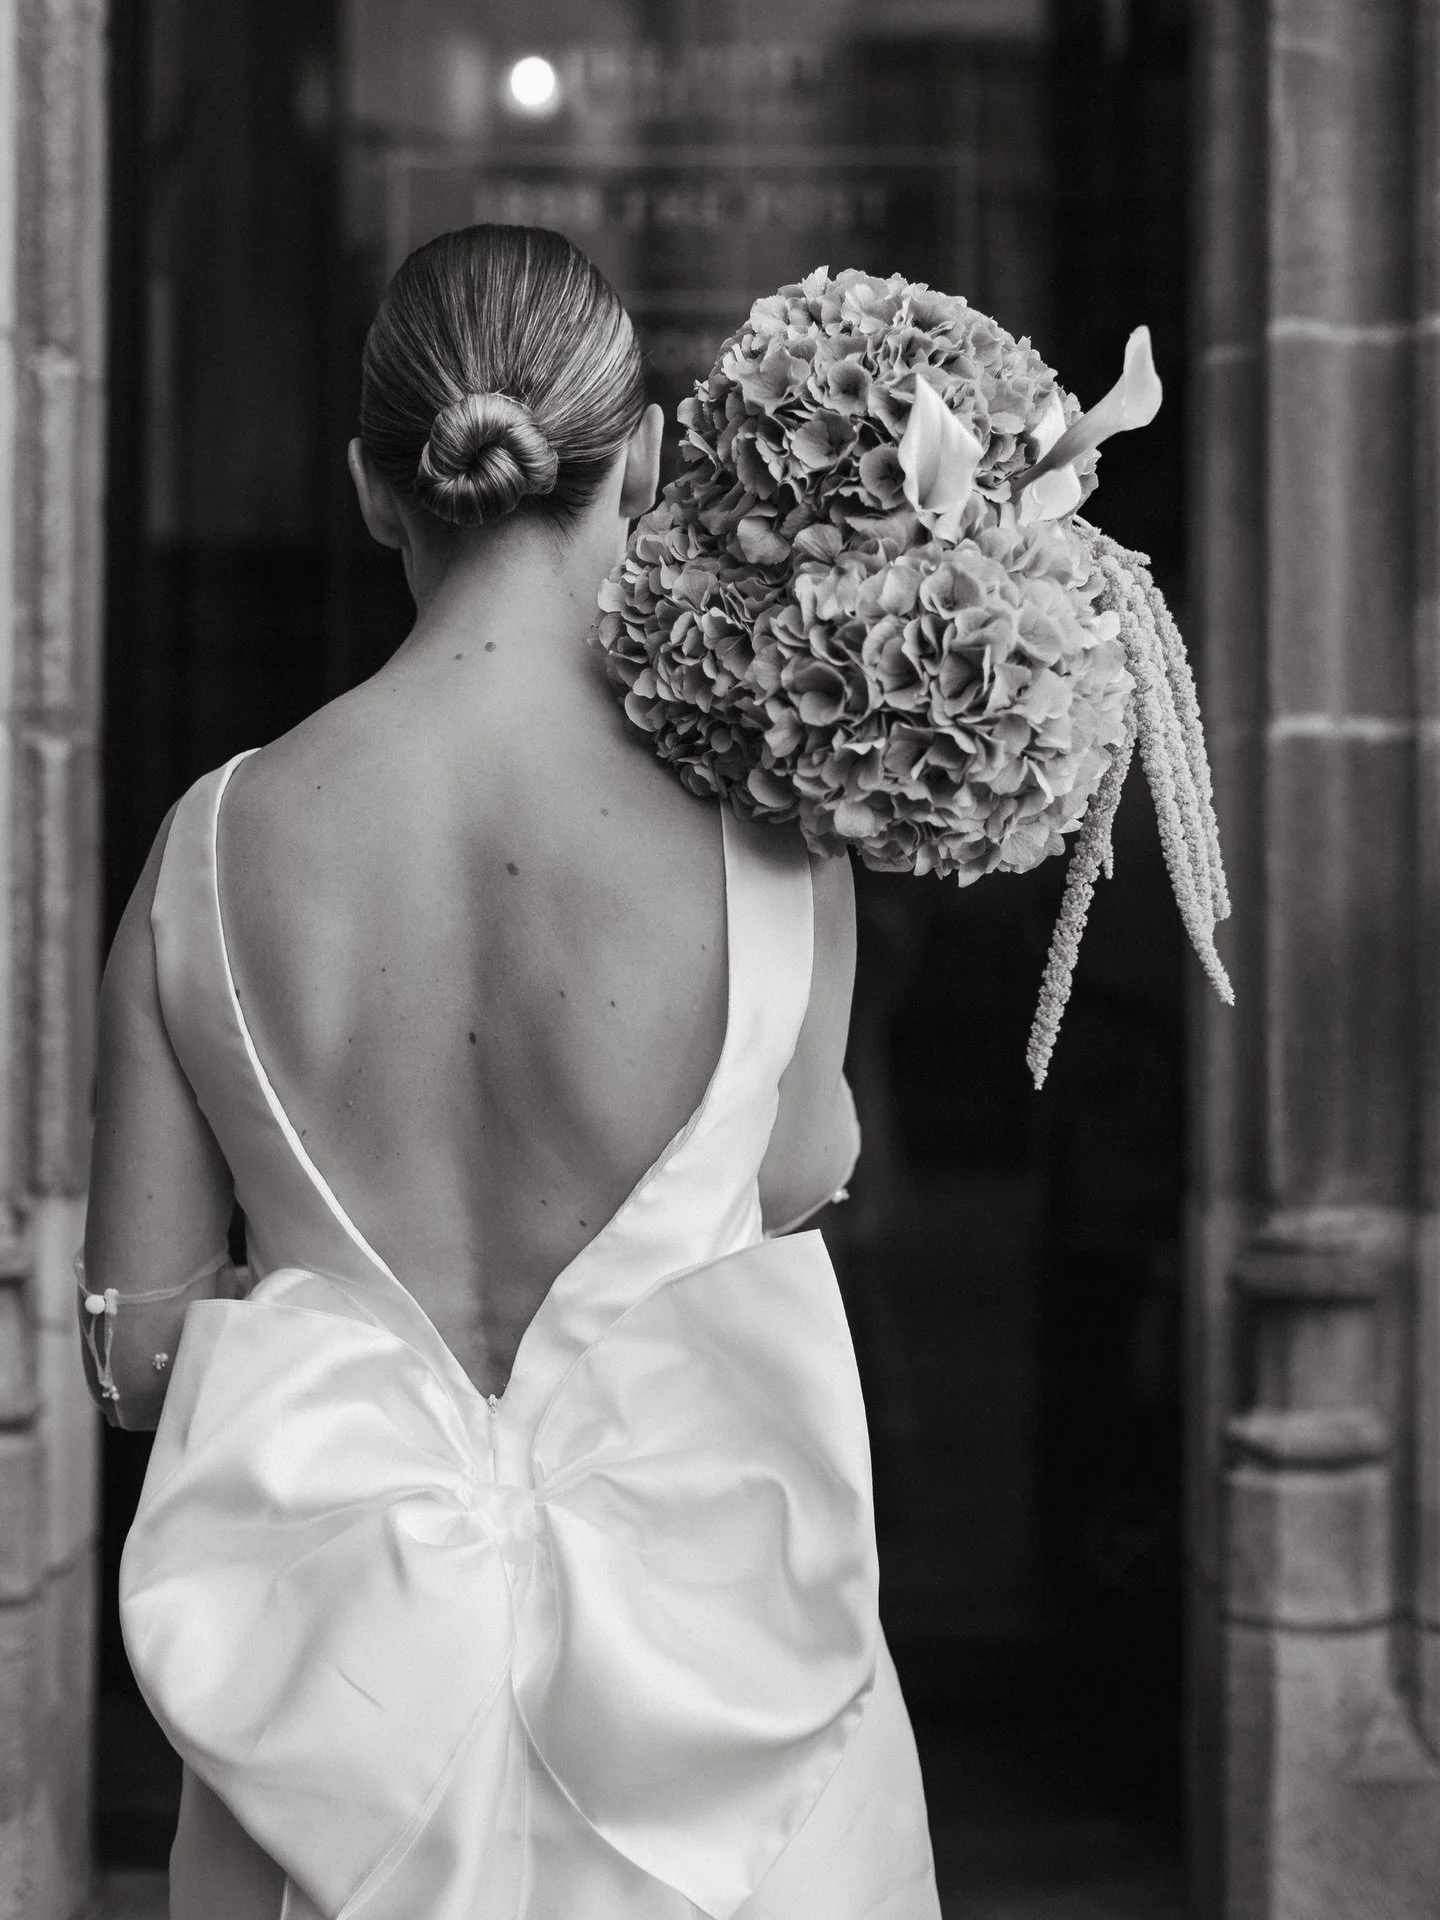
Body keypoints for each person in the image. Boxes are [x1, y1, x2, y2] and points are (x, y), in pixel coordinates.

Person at [80, 225, 941, 1919]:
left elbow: (140, 1351)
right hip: (731, 1744)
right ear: (650, 458)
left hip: (331, 1748)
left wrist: (332, 1328)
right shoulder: (779, 838)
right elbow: (792, 1182)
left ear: (370, 487)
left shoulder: (211, 843)